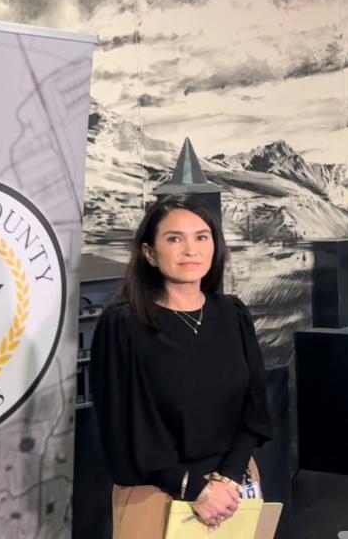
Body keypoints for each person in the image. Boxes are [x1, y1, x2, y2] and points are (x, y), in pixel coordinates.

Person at [90, 195, 271, 538]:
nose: (191, 249)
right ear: (149, 253)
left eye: (202, 237)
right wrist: (195, 489)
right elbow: (124, 429)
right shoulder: (123, 325)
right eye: (175, 238)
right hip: (157, 495)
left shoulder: (232, 314)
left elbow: (255, 408)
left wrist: (228, 479)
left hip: (234, 489)